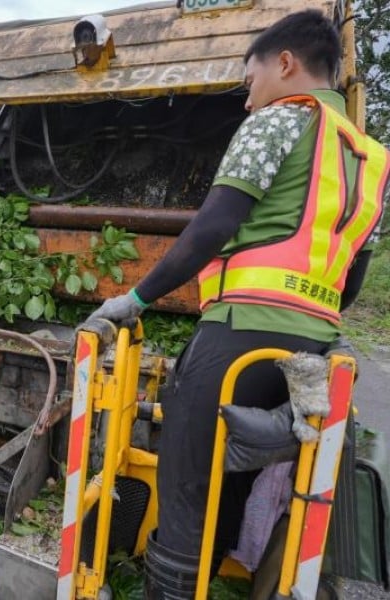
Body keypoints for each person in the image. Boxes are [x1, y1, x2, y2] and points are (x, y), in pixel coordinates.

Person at [86, 9, 388, 598]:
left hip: (237, 335)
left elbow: (213, 226)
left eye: (249, 82)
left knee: (188, 487)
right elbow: (351, 280)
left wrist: (137, 298)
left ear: (284, 63)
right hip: (311, 356)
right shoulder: (372, 161)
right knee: (237, 483)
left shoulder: (278, 122)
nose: (248, 100)